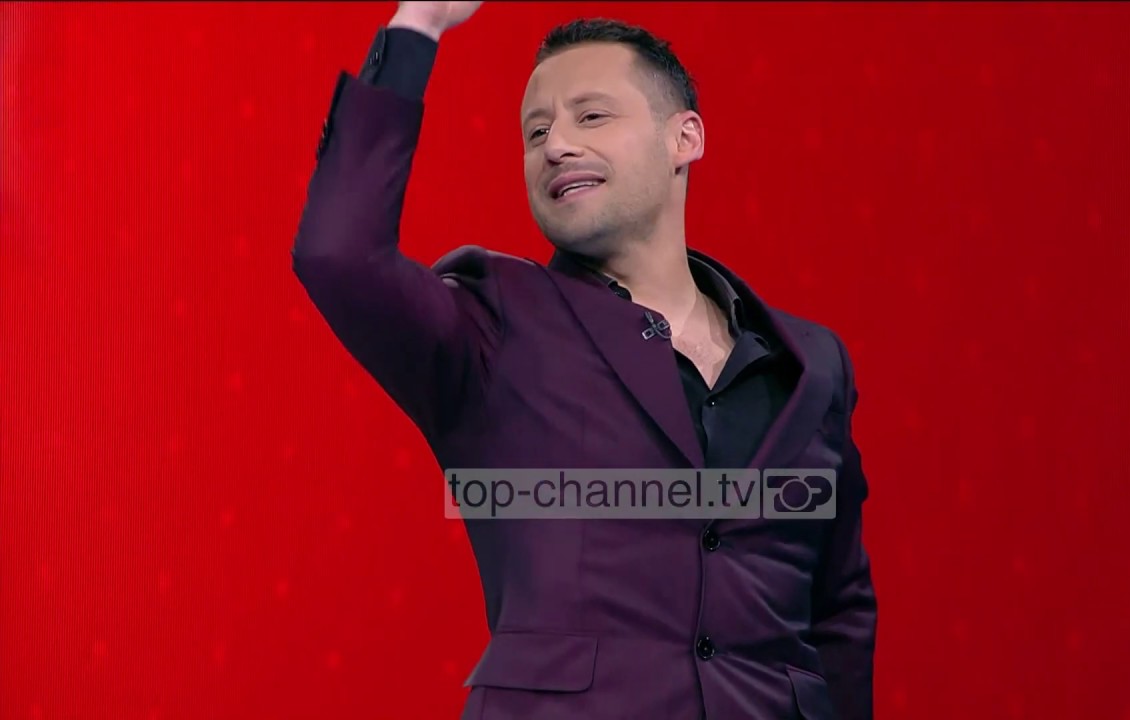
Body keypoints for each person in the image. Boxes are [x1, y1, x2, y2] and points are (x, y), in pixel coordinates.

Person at [291, 1, 876, 718]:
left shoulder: (811, 365)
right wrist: (421, 22)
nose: (556, 145)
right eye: (535, 132)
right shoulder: (494, 321)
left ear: (684, 138)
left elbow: (839, 608)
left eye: (590, 116)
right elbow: (338, 254)